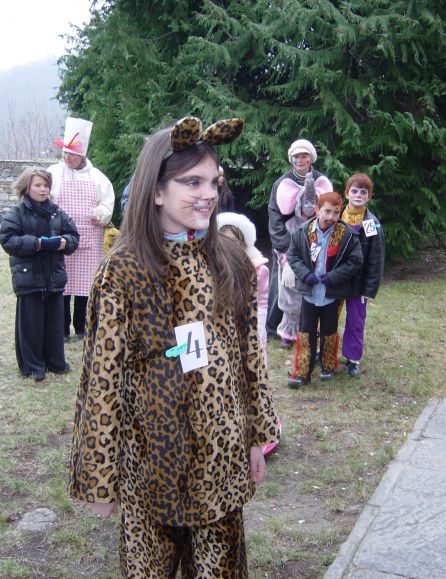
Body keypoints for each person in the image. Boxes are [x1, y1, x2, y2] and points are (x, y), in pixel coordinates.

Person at [69, 116, 278, 578]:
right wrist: (100, 479)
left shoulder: (231, 261)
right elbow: (102, 382)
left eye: (214, 182)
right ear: (157, 191)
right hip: (152, 472)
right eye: (192, 182)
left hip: (221, 466)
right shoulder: (124, 271)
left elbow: (251, 360)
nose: (208, 194)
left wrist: (257, 436)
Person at [0, 169, 79, 382]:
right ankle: (33, 366)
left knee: (54, 324)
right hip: (29, 277)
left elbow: (74, 236)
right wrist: (37, 243)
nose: (43, 189)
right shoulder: (16, 213)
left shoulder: (57, 212)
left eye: (46, 185)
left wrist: (65, 242)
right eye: (38, 185)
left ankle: (55, 362)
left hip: (53, 276)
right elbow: (8, 240)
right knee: (31, 325)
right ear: (27, 187)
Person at [287, 192, 363, 388]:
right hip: (310, 294)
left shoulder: (347, 235)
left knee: (329, 332)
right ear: (317, 210)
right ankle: (302, 372)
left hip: (331, 295)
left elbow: (355, 261)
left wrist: (333, 277)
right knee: (306, 332)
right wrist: (305, 274)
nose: (331, 217)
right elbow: (293, 256)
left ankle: (327, 366)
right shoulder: (302, 232)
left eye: (336, 213)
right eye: (327, 211)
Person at [48, 117, 115, 340]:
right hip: (61, 239)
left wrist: (101, 214)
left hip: (89, 239)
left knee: (86, 287)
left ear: (82, 156)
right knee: (62, 285)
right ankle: (61, 327)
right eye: (65, 153)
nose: (67, 158)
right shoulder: (53, 173)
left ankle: (82, 326)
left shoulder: (97, 177)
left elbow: (107, 203)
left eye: (72, 154)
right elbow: (44, 199)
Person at [267, 138, 331, 346]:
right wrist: (285, 252)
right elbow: (275, 219)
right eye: (296, 156)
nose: (300, 160)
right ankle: (275, 328)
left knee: (314, 285)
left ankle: (309, 328)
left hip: (315, 242)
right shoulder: (281, 184)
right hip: (287, 242)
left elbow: (329, 212)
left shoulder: (321, 181)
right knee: (283, 286)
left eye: (304, 156)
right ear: (291, 159)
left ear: (311, 158)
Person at [340, 173, 385, 376]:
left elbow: (376, 258)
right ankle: (324, 353)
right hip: (335, 279)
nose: (358, 195)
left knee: (356, 321)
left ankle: (352, 359)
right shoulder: (335, 216)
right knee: (327, 318)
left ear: (369, 196)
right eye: (354, 191)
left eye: (363, 192)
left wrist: (369, 289)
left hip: (358, 284)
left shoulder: (372, 224)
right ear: (347, 193)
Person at [217, 211, 269, 364]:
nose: (231, 246)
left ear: (244, 244)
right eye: (225, 240)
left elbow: (262, 302)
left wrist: (258, 329)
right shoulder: (212, 267)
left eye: (235, 241)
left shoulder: (258, 271)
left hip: (247, 325)